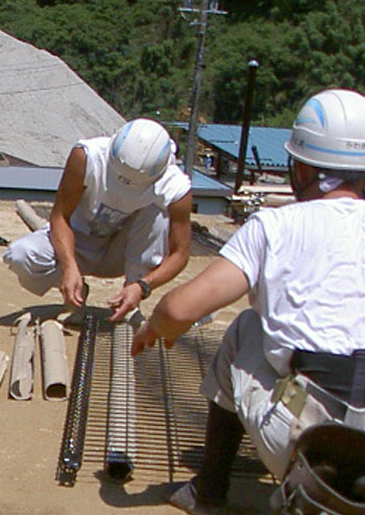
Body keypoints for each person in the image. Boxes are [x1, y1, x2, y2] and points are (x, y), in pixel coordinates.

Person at [131, 88, 365, 515]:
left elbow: (180, 310)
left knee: (246, 329)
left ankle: (209, 494)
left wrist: (154, 328)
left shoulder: (276, 226)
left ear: (301, 168)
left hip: (314, 445)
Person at [3, 118, 193, 322]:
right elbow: (60, 216)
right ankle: (76, 291)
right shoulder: (87, 157)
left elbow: (180, 253)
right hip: (78, 244)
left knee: (159, 209)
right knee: (20, 255)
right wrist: (69, 267)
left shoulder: (174, 187)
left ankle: (129, 301)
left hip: (126, 254)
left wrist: (143, 286)